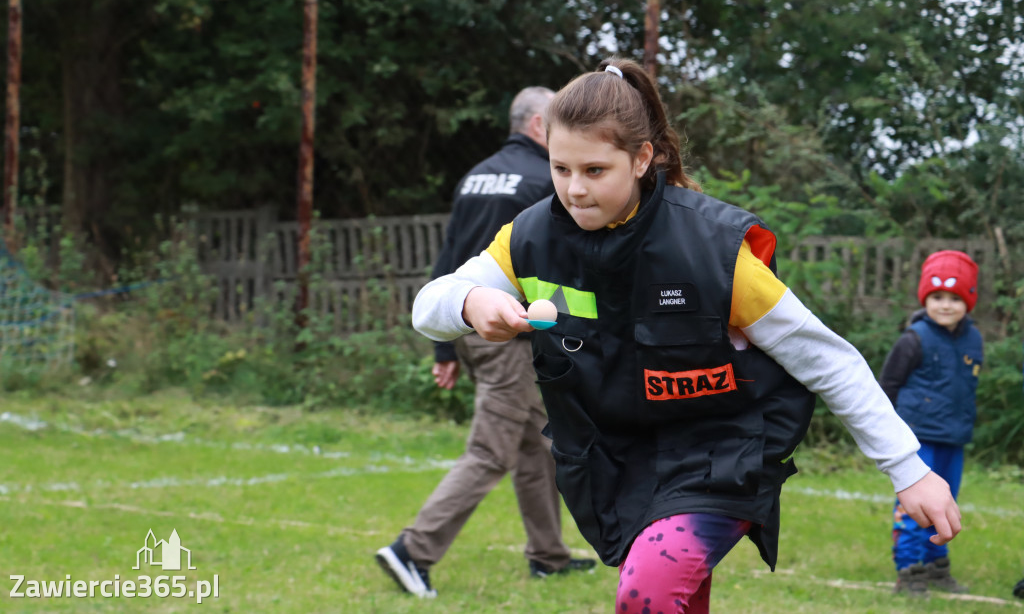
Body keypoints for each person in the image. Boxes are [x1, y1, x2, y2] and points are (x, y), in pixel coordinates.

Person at [410, 58, 962, 613]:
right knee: (674, 597)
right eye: (560, 168)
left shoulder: (713, 250)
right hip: (615, 458)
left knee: (647, 591)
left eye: (595, 170)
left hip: (719, 452)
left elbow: (828, 360)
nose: (574, 190)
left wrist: (909, 471)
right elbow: (428, 305)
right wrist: (471, 300)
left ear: (642, 157)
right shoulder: (528, 236)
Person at [375, 86, 595, 599]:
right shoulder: (547, 180)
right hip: (506, 332)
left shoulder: (477, 175)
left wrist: (444, 347)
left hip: (465, 323)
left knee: (538, 445)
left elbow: (447, 260)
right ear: (541, 125)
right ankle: (414, 550)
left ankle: (548, 556)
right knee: (491, 450)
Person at [880, 250, 982, 596]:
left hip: (954, 438)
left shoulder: (975, 339)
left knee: (946, 503)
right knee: (914, 507)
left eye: (955, 298)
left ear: (968, 301)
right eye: (937, 297)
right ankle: (908, 571)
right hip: (916, 440)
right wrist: (887, 436)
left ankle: (938, 568)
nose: (945, 305)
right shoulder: (914, 339)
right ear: (926, 299)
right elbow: (887, 387)